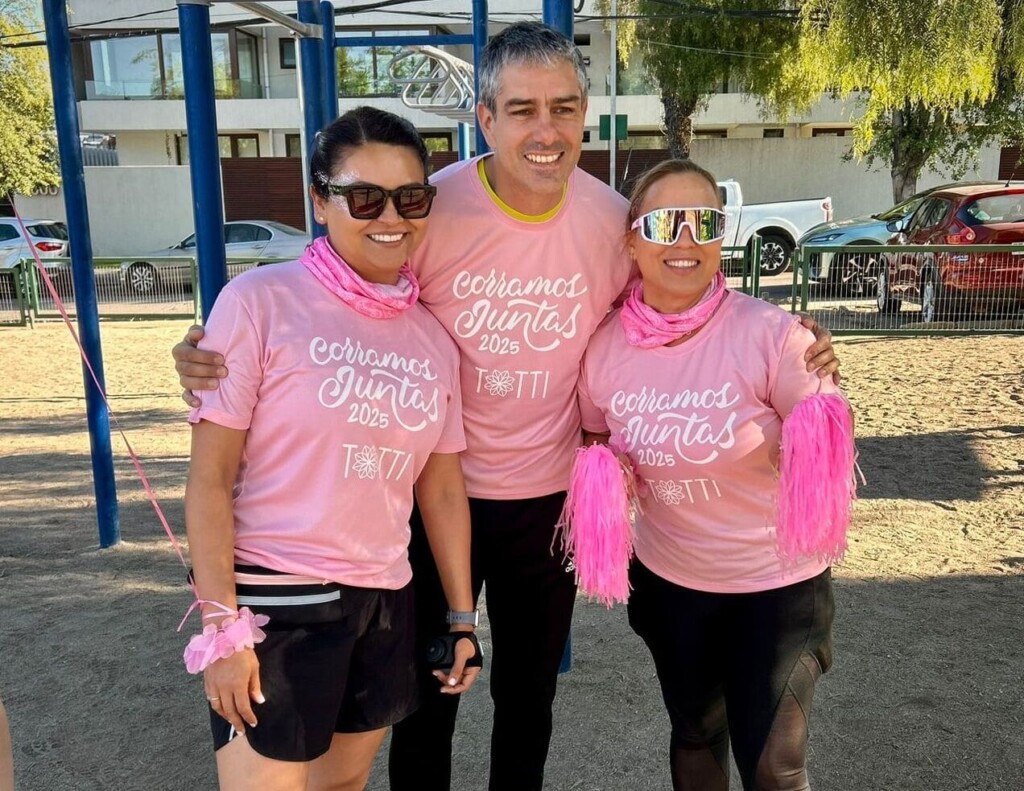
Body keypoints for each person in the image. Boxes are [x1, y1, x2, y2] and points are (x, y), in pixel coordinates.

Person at [173, 23, 840, 791]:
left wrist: (792, 341)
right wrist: (207, 353)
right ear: (484, 119)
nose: (545, 131)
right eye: (521, 110)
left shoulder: (610, 222)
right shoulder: (429, 205)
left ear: (586, 112)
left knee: (529, 697)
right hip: (430, 494)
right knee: (423, 701)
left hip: (546, 499)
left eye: (562, 107)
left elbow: (679, 297)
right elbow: (338, 289)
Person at [183, 106, 479, 791]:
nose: (390, 216)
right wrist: (223, 627)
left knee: (342, 786)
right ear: (321, 200)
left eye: (410, 197)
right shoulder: (258, 301)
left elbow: (439, 489)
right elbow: (209, 480)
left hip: (384, 601)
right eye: (363, 196)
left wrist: (462, 617)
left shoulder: (434, 338)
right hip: (275, 599)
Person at [576, 158, 848, 791]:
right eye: (666, 223)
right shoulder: (603, 347)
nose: (687, 240)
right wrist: (605, 478)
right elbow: (596, 437)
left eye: (705, 221)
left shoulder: (775, 335)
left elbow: (821, 421)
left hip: (777, 589)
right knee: (695, 734)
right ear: (632, 241)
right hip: (673, 587)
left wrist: (824, 403)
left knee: (773, 768)